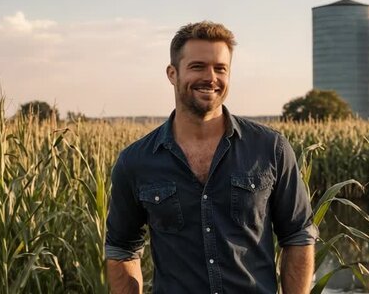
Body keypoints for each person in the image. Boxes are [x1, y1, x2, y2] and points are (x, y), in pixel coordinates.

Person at [105, 21, 317, 294]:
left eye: (220, 69)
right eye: (198, 67)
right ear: (172, 73)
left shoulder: (270, 148)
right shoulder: (135, 161)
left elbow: (298, 235)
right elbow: (122, 248)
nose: (211, 78)